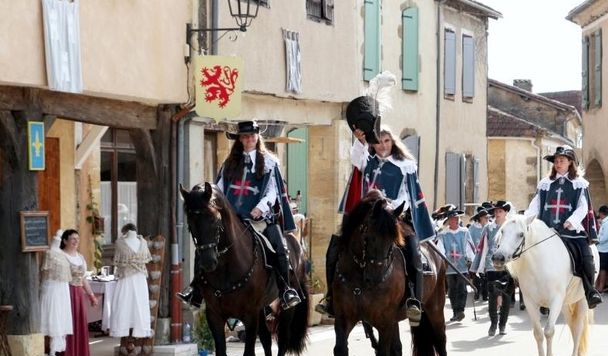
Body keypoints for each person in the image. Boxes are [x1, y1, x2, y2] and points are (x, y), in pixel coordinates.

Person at [316, 124, 435, 326]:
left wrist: (388, 208)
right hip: (367, 218)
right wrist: (361, 138)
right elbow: (356, 156)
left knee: (413, 254)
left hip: (395, 217)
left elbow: (407, 193)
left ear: (393, 142)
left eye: (386, 141)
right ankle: (331, 297)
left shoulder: (405, 165)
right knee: (335, 245)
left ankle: (413, 299)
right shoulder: (367, 161)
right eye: (378, 141)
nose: (382, 145)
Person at [178, 120, 302, 311]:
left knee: (279, 246)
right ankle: (196, 289)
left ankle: (286, 289)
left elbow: (273, 191)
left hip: (259, 218)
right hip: (233, 218)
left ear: (257, 137)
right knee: (205, 244)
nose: (249, 139)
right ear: (240, 140)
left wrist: (260, 208)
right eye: (245, 136)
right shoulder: (230, 163)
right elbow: (218, 188)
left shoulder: (269, 162)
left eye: (252, 135)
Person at [525, 146, 602, 309]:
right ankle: (510, 283)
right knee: (522, 251)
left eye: (561, 160)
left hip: (571, 230)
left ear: (570, 163)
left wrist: (571, 221)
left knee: (585, 254)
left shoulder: (579, 183)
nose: (558, 163)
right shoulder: (545, 183)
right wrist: (526, 221)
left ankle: (590, 291)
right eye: (556, 161)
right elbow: (536, 204)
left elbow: (583, 207)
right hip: (548, 229)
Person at [471, 200, 514, 336]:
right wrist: (475, 267)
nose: (497, 214)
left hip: (507, 267)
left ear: (505, 212)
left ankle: (502, 325)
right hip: (491, 266)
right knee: (493, 296)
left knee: (506, 297)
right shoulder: (488, 228)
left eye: (500, 211)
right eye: (495, 211)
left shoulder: (512, 227)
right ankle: (493, 324)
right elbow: (481, 249)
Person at [60, 229, 99, 356]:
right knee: (67, 323)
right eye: (73, 239)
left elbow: (83, 279)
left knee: (78, 324)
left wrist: (91, 296)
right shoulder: (61, 256)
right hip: (65, 292)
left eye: (77, 238)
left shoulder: (80, 257)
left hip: (78, 294)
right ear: (65, 241)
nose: (76, 241)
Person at [110, 223, 152, 340]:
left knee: (139, 305)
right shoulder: (119, 243)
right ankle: (123, 330)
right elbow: (117, 261)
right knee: (124, 304)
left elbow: (146, 259)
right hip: (126, 278)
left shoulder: (143, 243)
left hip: (139, 278)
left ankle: (138, 330)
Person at [40, 230, 73, 356]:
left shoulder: (62, 254)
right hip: (51, 288)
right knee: (50, 317)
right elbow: (44, 273)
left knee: (59, 316)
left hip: (61, 290)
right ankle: (47, 350)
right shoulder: (49, 253)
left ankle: (54, 351)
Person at [437, 208, 474, 322]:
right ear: (449, 220)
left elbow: (469, 247)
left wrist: (472, 261)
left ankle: (460, 310)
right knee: (452, 290)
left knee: (462, 288)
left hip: (462, 265)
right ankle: (455, 312)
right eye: (453, 218)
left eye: (457, 218)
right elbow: (440, 249)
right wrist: (444, 260)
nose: (456, 220)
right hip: (449, 267)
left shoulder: (464, 232)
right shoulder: (443, 234)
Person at [468, 207, 490, 301]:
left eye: (488, 217)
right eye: (485, 217)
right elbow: (470, 241)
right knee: (476, 276)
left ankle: (485, 294)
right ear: (481, 218)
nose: (487, 219)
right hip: (476, 254)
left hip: (486, 254)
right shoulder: (473, 228)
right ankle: (477, 293)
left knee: (486, 276)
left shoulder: (489, 227)